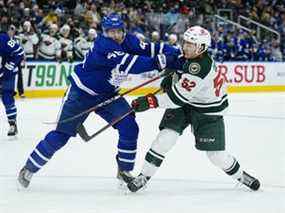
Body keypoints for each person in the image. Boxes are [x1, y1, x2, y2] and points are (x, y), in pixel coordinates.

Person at [17, 13, 178, 188]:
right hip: (81, 94)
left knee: (129, 126)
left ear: (123, 30)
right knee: (61, 135)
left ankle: (124, 171)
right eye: (110, 32)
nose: (115, 35)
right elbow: (133, 64)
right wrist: (163, 61)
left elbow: (151, 49)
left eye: (118, 31)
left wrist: (177, 53)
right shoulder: (104, 46)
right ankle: (29, 168)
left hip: (108, 95)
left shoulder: (129, 40)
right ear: (104, 32)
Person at [124, 26, 260, 192]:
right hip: (187, 103)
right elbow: (181, 69)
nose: (186, 47)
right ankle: (143, 177)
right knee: (165, 138)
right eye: (186, 43)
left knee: (216, 156)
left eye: (191, 45)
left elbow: (175, 98)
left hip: (208, 111)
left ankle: (241, 176)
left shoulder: (200, 68)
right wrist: (172, 75)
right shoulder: (192, 56)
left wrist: (149, 101)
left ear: (202, 48)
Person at [0, 29, 25, 136]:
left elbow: (19, 52)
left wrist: (9, 67)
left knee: (7, 98)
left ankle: (12, 124)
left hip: (7, 75)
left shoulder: (3, 39)